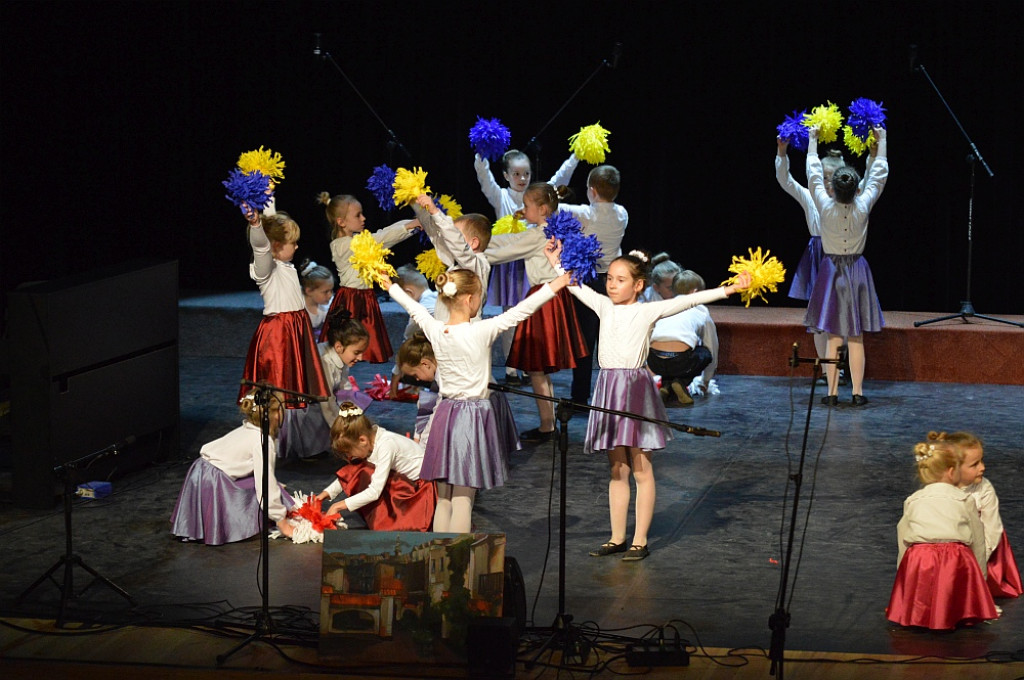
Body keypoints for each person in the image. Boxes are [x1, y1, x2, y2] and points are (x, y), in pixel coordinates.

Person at [547, 245, 750, 561]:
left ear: (638, 285)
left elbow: (689, 299)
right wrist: (554, 260)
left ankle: (639, 540)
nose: (612, 285)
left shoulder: (646, 310)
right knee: (617, 468)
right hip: (609, 388)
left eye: (620, 279)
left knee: (641, 467)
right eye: (610, 279)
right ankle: (616, 537)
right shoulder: (603, 305)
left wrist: (731, 288)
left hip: (635, 389)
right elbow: (573, 284)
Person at [378, 265, 570, 533]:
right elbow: (522, 310)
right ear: (470, 300)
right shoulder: (482, 330)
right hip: (472, 417)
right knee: (463, 499)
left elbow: (414, 308)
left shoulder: (435, 328)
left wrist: (390, 285)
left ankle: (439, 559)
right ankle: (457, 563)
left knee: (444, 498)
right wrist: (557, 283)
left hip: (444, 415)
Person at [494, 182, 590, 441]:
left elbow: (506, 248)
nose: (523, 210)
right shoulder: (554, 229)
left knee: (537, 368)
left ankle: (547, 425)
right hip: (559, 299)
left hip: (544, 299)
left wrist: (472, 246)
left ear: (543, 208)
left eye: (527, 206)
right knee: (541, 368)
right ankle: (548, 420)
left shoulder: (538, 235)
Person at [474, 148, 579, 384]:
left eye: (526, 174)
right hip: (509, 265)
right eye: (517, 174)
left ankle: (532, 364)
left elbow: (561, 178)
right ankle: (513, 368)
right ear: (506, 175)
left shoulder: (538, 200)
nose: (522, 179)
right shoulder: (500, 196)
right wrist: (481, 153)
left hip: (530, 262)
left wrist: (576, 155)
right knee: (510, 316)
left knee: (527, 318)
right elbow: (484, 179)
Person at [805, 125, 888, 406]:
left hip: (831, 271)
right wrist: (882, 142)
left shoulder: (825, 207)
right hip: (856, 270)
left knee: (833, 335)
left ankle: (830, 394)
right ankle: (857, 391)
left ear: (834, 188)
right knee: (855, 337)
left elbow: (814, 176)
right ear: (855, 187)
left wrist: (813, 142)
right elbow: (877, 177)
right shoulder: (862, 205)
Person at [887, 433, 999, 629]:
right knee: (957, 560)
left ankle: (919, 615)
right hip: (954, 558)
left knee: (922, 562)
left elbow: (903, 536)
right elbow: (978, 539)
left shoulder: (912, 499)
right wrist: (980, 575)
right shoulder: (964, 499)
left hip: (920, 558)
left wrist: (904, 572)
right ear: (950, 472)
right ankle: (955, 613)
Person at [170, 390, 295, 544]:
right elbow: (265, 484)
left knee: (270, 486)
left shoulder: (247, 428)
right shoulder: (262, 441)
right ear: (275, 414)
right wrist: (281, 520)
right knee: (265, 489)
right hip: (213, 481)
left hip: (198, 471)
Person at [239, 205, 329, 407]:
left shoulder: (284, 263)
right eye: (293, 243)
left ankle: (290, 420)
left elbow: (273, 223)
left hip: (295, 325)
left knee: (293, 379)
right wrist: (255, 225)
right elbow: (262, 247)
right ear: (277, 245)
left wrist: (269, 197)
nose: (297, 247)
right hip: (279, 330)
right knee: (278, 380)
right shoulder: (266, 268)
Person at [317, 192, 419, 362]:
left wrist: (411, 225)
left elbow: (382, 235)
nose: (363, 218)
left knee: (363, 345)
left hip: (365, 297)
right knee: (345, 343)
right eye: (358, 215)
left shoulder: (357, 239)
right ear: (341, 222)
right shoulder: (343, 246)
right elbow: (380, 239)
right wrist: (410, 225)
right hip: (350, 300)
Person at [559, 165, 629, 407]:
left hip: (590, 280)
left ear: (592, 191)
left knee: (586, 342)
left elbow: (552, 207)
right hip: (615, 282)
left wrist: (558, 194)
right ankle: (615, 396)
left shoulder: (586, 214)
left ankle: (580, 397)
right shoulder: (622, 213)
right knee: (611, 339)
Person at [777, 141, 849, 361]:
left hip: (841, 256)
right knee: (819, 317)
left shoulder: (850, 200)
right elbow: (785, 181)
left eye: (832, 176)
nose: (827, 182)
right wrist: (782, 152)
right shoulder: (810, 197)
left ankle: (840, 362)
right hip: (818, 256)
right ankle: (827, 368)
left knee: (842, 314)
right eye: (823, 177)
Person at [315, 402, 435, 531]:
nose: (348, 456)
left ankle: (391, 521)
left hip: (420, 493)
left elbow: (374, 492)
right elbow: (353, 473)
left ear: (362, 440)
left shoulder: (386, 445)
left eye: (348, 452)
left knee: (364, 471)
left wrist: (337, 506)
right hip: (405, 482)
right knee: (360, 467)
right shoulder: (370, 440)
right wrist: (325, 494)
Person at [277, 308, 369, 459]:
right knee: (323, 413)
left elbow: (344, 385)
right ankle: (314, 447)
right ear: (339, 347)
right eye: (357, 352)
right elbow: (326, 402)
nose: (360, 357)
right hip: (306, 405)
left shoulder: (342, 355)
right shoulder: (324, 360)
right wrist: (340, 430)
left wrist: (352, 413)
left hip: (325, 398)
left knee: (355, 400)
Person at [943, 431, 1022, 599]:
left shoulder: (984, 489)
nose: (983, 467)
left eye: (981, 461)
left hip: (984, 548)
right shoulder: (939, 489)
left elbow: (992, 529)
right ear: (952, 470)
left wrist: (975, 564)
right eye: (974, 464)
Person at [648, 270, 717, 406]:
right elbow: (712, 346)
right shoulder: (701, 309)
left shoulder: (665, 306)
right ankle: (681, 382)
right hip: (680, 361)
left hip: (654, 361)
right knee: (705, 353)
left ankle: (667, 386)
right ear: (694, 292)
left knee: (670, 360)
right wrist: (705, 382)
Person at [388, 264, 437, 399]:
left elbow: (406, 346)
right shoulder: (439, 297)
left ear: (408, 293)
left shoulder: (420, 312)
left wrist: (393, 388)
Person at [395, 332, 439, 442]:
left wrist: (420, 441)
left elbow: (433, 417)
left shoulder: (444, 381)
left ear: (425, 364)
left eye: (415, 375)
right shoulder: (436, 383)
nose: (417, 379)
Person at [299, 260, 335, 334]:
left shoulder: (328, 305)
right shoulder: (298, 309)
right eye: (326, 292)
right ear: (309, 291)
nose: (330, 295)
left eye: (331, 290)